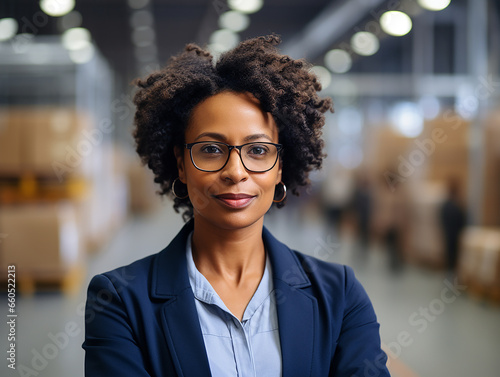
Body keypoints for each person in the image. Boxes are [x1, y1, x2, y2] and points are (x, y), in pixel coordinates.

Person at [82, 35, 390, 377]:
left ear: (280, 167)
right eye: (211, 150)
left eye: (257, 151)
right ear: (181, 165)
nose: (235, 172)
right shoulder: (119, 301)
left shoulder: (340, 294)